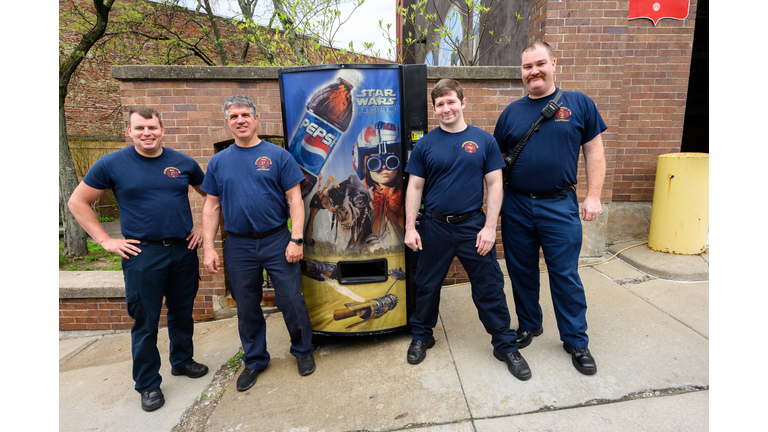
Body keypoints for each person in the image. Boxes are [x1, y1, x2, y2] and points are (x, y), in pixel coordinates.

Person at [68, 107, 209, 412]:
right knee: (145, 321)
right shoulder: (111, 164)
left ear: (162, 129)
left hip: (183, 250)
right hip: (142, 254)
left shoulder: (183, 163)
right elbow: (78, 201)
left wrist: (201, 228)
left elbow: (211, 194)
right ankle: (148, 384)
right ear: (129, 131)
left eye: (153, 127)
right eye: (140, 128)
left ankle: (182, 361)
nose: (147, 133)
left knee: (182, 312)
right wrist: (104, 240)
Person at [404, 79, 531, 381]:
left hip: (473, 227)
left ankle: (504, 344)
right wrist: (410, 226)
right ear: (434, 109)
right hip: (434, 226)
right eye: (439, 104)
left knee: (489, 287)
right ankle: (422, 335)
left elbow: (495, 184)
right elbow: (415, 187)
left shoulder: (483, 141)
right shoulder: (426, 144)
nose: (445, 108)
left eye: (450, 101)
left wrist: (490, 228)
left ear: (463, 102)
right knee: (426, 285)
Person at [493, 40, 607, 375]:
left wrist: (594, 194)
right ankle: (529, 324)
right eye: (528, 67)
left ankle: (576, 339)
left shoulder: (579, 104)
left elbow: (594, 152)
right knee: (521, 271)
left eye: (540, 64)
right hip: (516, 206)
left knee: (565, 275)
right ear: (522, 73)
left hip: (560, 206)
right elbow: (496, 160)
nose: (534, 72)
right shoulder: (511, 113)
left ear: (554, 64)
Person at [201, 95, 315, 393]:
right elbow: (211, 206)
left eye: (245, 115)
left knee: (291, 299)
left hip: (277, 239)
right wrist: (209, 247)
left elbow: (295, 199)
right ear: (227, 123)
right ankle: (254, 360)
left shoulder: (278, 156)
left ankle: (303, 351)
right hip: (238, 245)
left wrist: (296, 238)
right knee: (247, 306)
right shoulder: (218, 162)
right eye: (234, 116)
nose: (240, 120)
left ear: (255, 118)